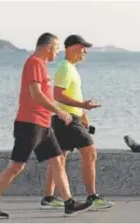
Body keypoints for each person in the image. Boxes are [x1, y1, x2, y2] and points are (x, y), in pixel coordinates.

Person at [0, 33, 94, 219]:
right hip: (29, 124)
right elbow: (36, 95)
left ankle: (69, 203)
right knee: (17, 166)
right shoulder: (34, 63)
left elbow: (43, 95)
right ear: (48, 46)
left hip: (43, 124)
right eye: (56, 49)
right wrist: (60, 111)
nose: (57, 53)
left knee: (57, 162)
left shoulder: (41, 65)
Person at [40, 34, 114, 210]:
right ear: (72, 48)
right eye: (83, 48)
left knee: (59, 158)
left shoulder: (69, 68)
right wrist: (82, 106)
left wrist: (82, 115)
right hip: (66, 119)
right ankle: (92, 196)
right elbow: (57, 95)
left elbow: (69, 95)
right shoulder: (65, 68)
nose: (85, 52)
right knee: (90, 152)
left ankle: (48, 198)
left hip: (67, 118)